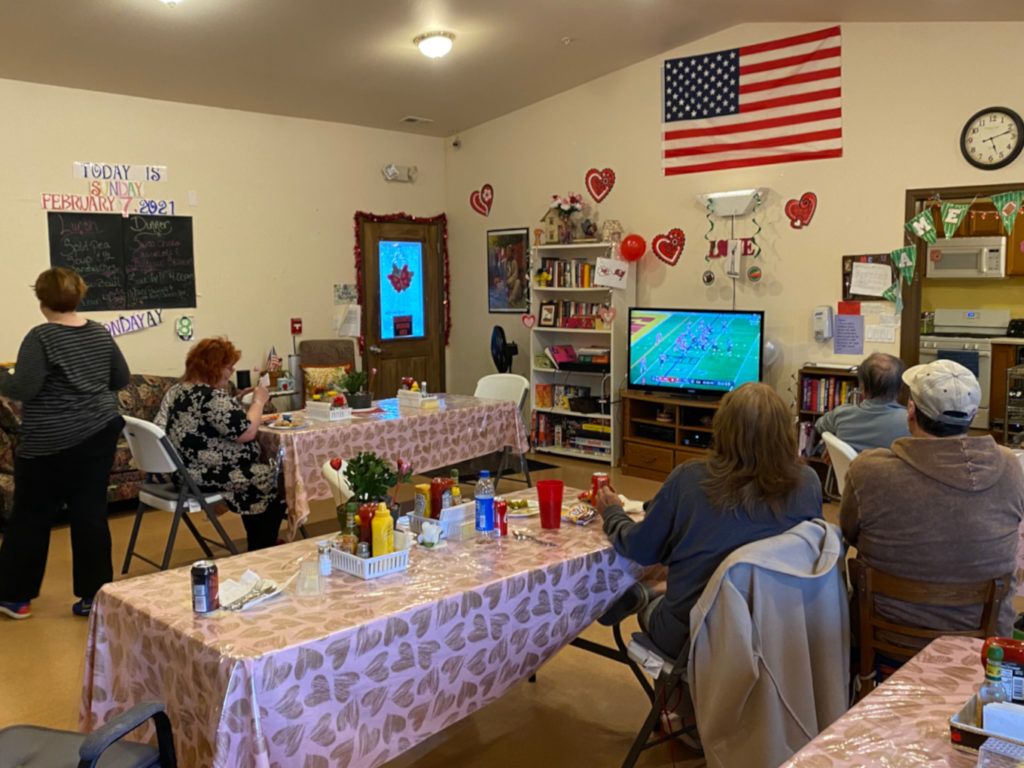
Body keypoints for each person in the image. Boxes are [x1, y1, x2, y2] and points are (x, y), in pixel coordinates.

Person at [595, 382, 823, 660]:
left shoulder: (690, 478)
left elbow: (640, 549)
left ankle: (653, 593)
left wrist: (612, 513)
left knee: (679, 561)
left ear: (722, 428)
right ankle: (656, 588)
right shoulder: (809, 482)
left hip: (695, 634)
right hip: (773, 628)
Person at [841, 359, 1024, 642]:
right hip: (983, 646)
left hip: (885, 635)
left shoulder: (868, 470)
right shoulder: (1011, 468)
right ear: (972, 416)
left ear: (910, 412)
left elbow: (849, 534)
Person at [0, 268, 129, 620]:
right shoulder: (100, 334)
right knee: (90, 515)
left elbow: (21, 389)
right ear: (78, 296)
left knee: (30, 517)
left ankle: (15, 597)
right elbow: (121, 378)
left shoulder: (41, 337)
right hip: (99, 433)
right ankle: (94, 597)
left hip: (50, 444)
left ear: (42, 301)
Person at [157, 337, 286, 551]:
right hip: (204, 476)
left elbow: (211, 422)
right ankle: (262, 546)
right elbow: (247, 432)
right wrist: (258, 402)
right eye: (229, 367)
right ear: (215, 368)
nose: (231, 373)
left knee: (258, 476)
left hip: (186, 473)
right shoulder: (211, 397)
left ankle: (260, 541)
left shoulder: (181, 391)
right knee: (274, 478)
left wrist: (234, 401)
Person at [814, 352, 910, 452]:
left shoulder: (842, 414)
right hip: (890, 468)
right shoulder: (910, 421)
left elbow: (819, 425)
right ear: (900, 389)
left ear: (862, 388)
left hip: (850, 467)